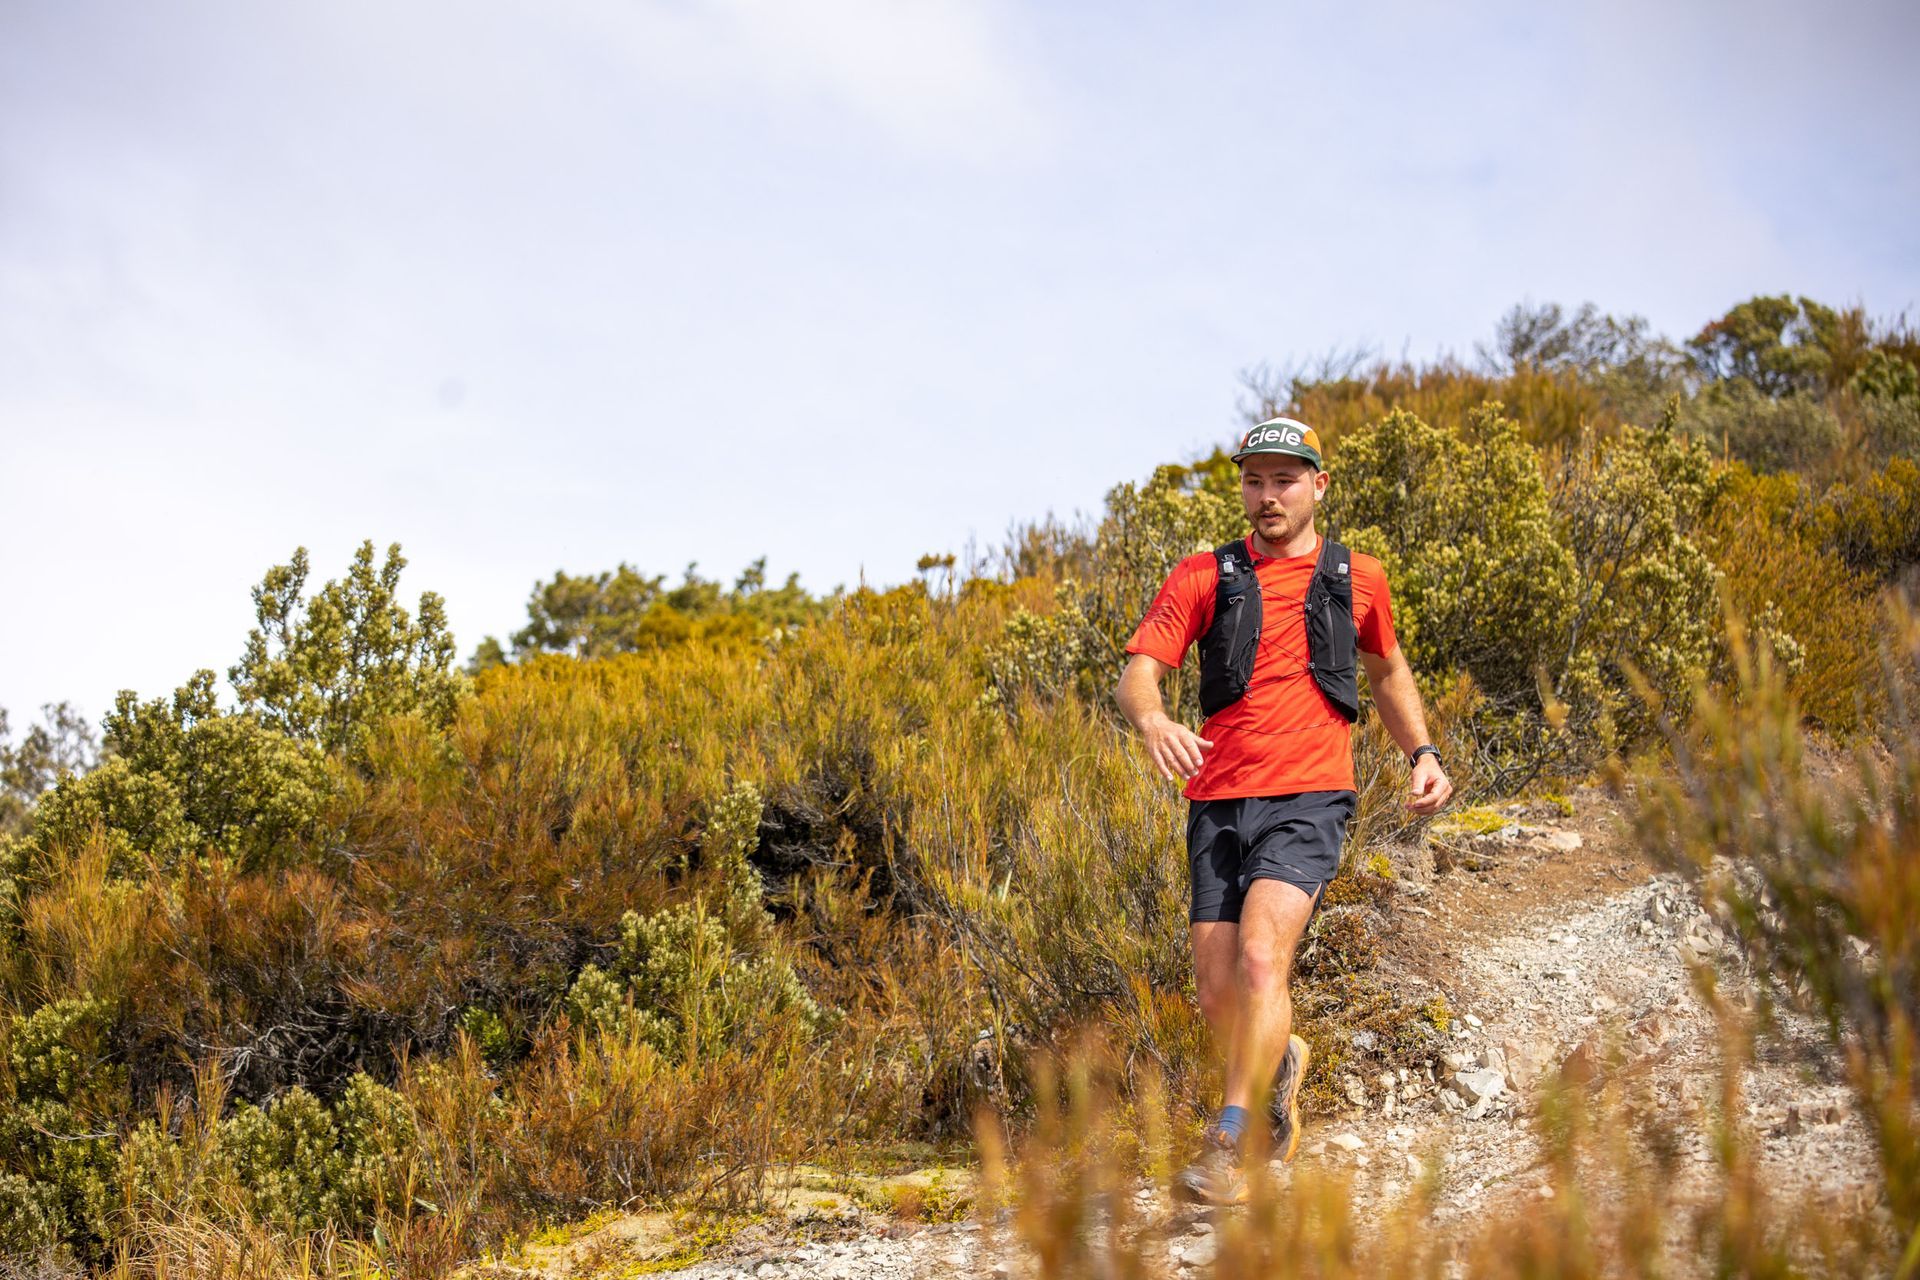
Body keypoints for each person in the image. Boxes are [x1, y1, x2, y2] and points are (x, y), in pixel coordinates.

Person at [1114, 416, 1453, 1205]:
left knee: (1263, 957)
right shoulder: (1204, 574)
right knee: (1216, 987)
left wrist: (1423, 752)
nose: (1267, 496)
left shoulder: (1356, 576)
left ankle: (1231, 1141)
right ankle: (1276, 1067)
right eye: (1254, 481)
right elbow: (1139, 674)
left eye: (1284, 480)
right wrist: (1153, 720)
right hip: (1216, 801)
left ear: (1318, 485)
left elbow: (1386, 667)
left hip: (1309, 795)